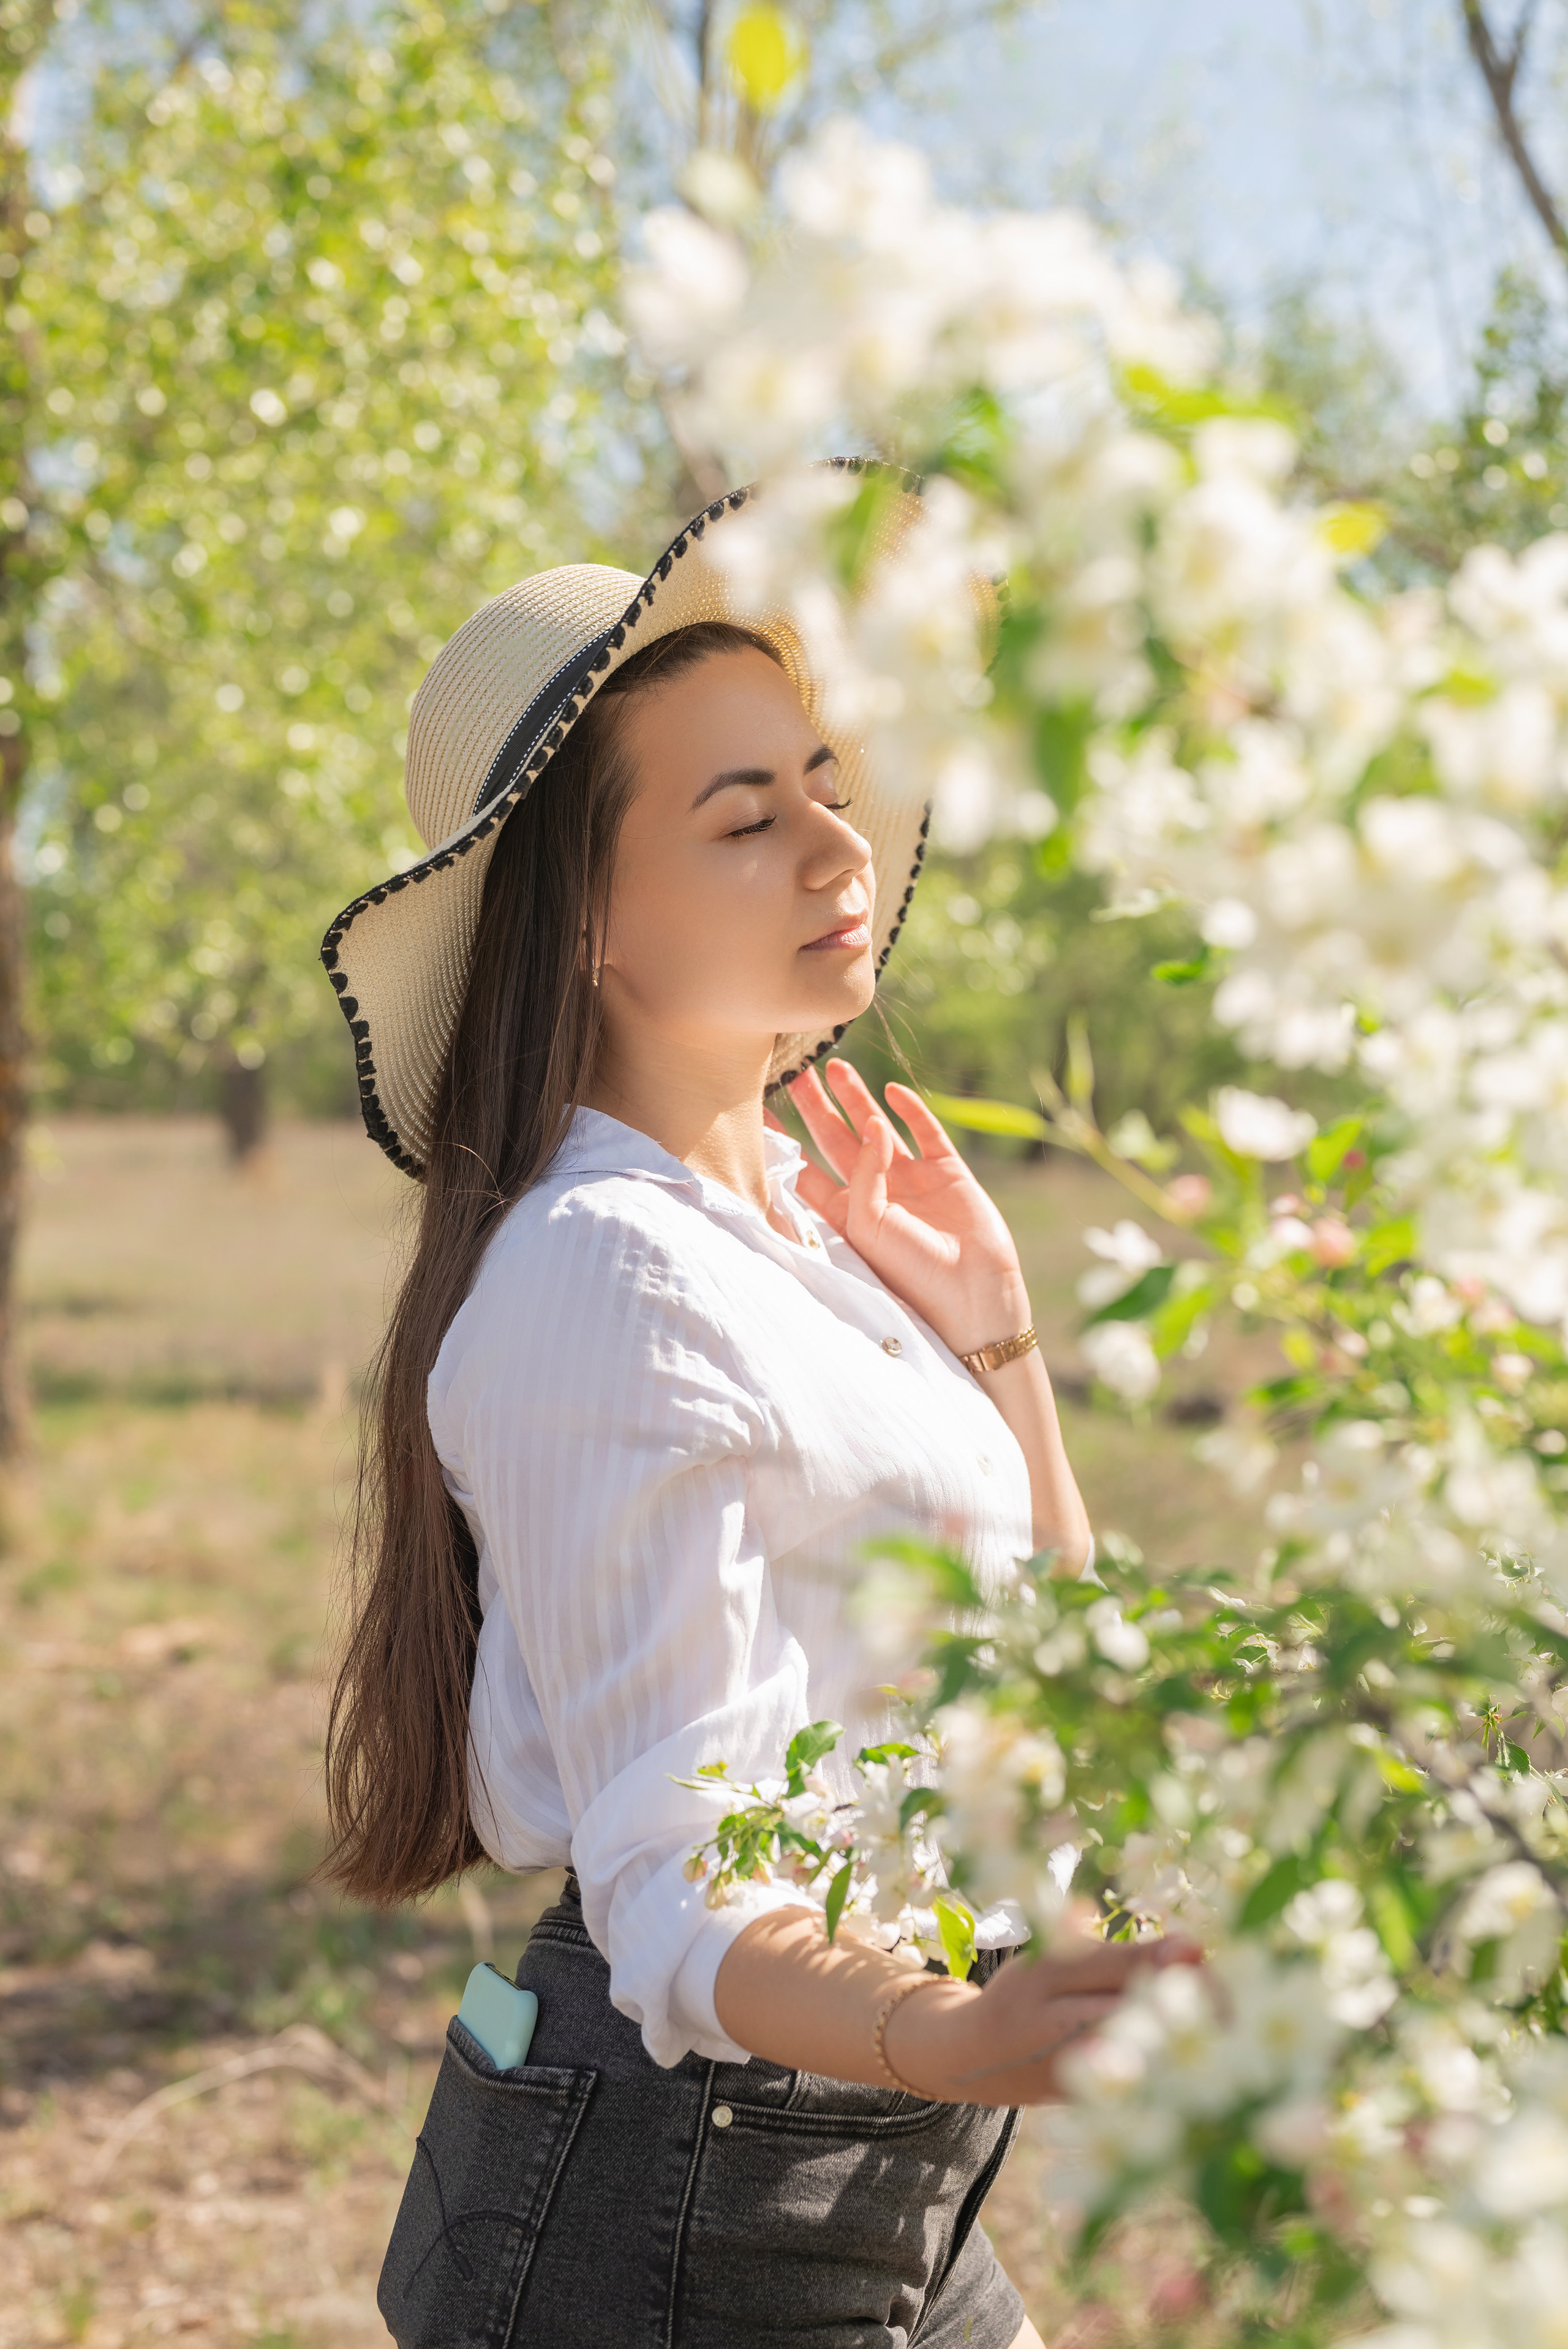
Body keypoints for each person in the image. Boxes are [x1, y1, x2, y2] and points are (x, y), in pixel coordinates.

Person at [320, 472, 1185, 2348]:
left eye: (827, 788)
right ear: (584, 925)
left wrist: (1002, 1348)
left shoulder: (798, 1233)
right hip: (688, 2200)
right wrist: (958, 2022)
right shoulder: (599, 1274)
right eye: (745, 815)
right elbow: (674, 1880)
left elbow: (1059, 1663)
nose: (836, 847)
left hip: (887, 2148)